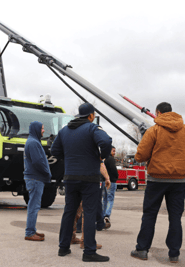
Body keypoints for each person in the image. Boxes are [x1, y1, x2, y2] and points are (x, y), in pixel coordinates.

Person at [130, 102, 185, 264]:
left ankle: (142, 249)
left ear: (158, 113)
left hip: (156, 180)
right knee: (175, 217)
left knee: (149, 215)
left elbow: (140, 156)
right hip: (179, 181)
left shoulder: (153, 130)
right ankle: (174, 253)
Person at [51, 102, 112, 262]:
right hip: (89, 178)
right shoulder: (92, 128)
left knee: (69, 211)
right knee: (90, 212)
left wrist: (70, 159)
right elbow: (106, 142)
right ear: (91, 115)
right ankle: (89, 252)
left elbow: (54, 150)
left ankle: (63, 247)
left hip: (70, 178)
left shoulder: (64, 131)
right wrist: (101, 156)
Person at [23, 121, 51, 241]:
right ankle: (29, 233)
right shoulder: (33, 143)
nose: (43, 131)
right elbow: (38, 162)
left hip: (34, 178)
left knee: (33, 206)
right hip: (35, 179)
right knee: (34, 206)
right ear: (36, 129)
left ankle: (32, 230)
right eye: (42, 128)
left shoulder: (33, 141)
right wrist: (47, 173)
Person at [103, 146, 118, 226]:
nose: (114, 152)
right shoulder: (111, 159)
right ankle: (107, 215)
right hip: (111, 181)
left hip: (104, 181)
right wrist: (116, 176)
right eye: (113, 151)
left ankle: (102, 214)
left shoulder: (104, 159)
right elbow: (113, 169)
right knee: (110, 199)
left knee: (104, 199)